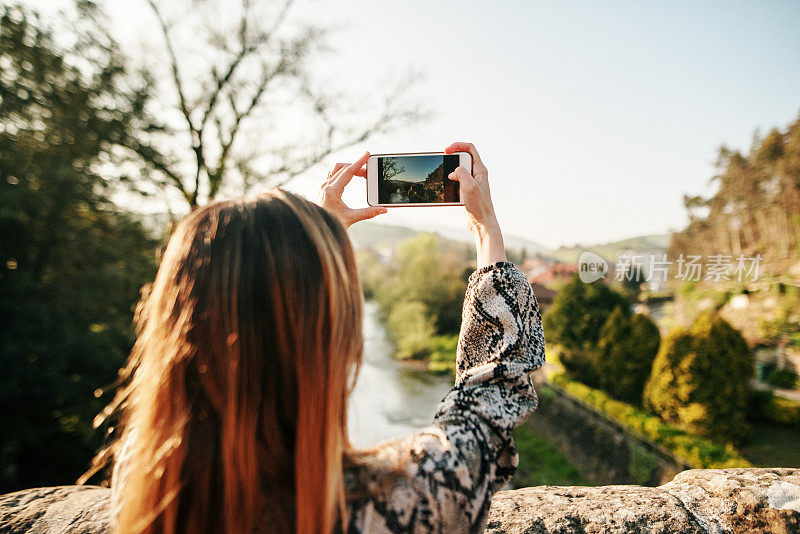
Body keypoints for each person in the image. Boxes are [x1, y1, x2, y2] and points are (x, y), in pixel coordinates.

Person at [103, 142, 546, 533]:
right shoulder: (394, 504)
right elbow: (486, 412)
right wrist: (486, 228)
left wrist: (316, 240)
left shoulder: (143, 487)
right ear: (336, 344)